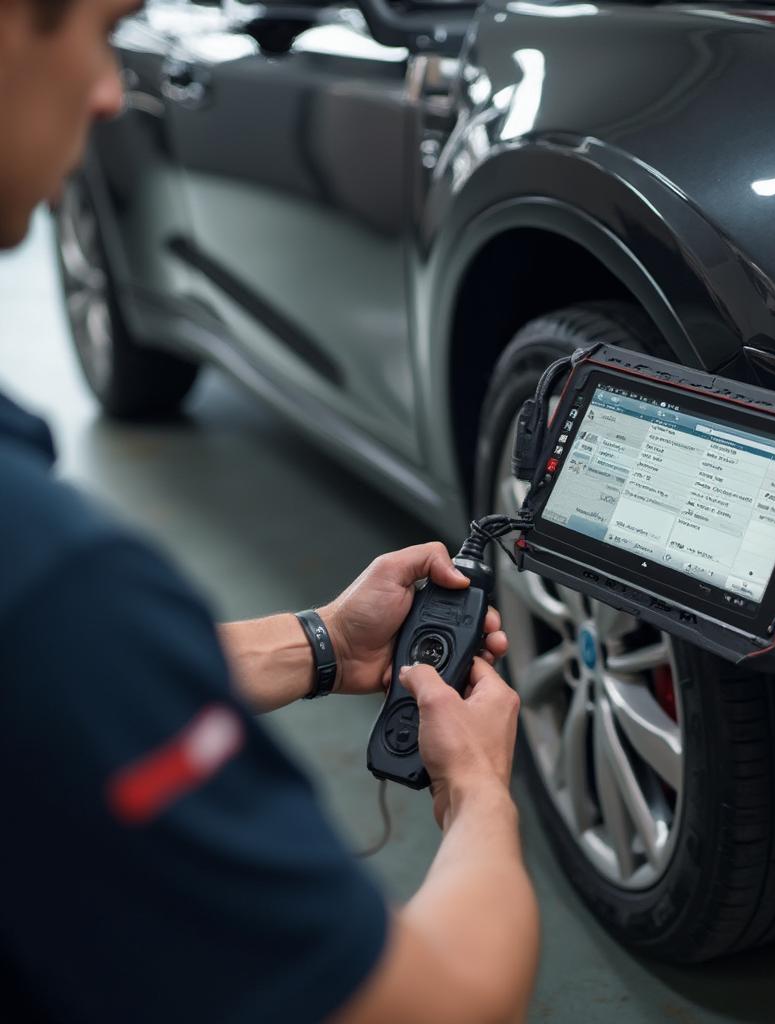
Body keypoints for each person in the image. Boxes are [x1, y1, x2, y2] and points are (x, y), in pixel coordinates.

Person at [0, 0, 540, 1020]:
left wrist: (325, 641)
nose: (112, 88)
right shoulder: (56, 583)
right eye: (95, 32)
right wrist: (479, 795)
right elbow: (426, 1009)